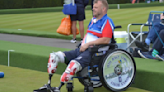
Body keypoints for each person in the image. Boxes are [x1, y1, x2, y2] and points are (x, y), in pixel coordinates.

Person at [48, 0, 115, 85]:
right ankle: (49, 83)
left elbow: (106, 40)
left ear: (103, 9)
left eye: (96, 7)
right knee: (54, 56)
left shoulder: (107, 21)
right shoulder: (93, 20)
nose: (93, 9)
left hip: (94, 52)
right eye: (93, 7)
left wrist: (87, 44)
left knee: (72, 66)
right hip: (83, 49)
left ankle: (59, 87)